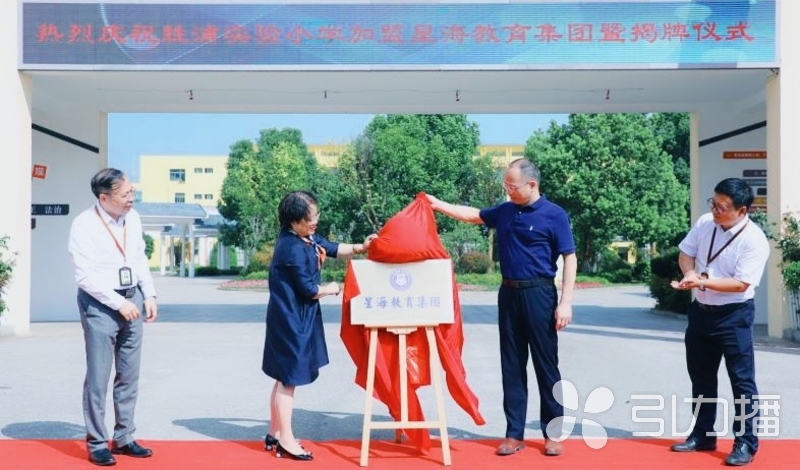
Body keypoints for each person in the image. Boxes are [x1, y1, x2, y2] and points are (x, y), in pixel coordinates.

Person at [426, 157, 577, 457]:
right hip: (508, 294)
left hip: (540, 294)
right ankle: (514, 433)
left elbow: (570, 257)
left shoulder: (554, 215)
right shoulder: (506, 211)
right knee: (511, 365)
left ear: (532, 184)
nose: (508, 191)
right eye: (506, 185)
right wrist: (437, 204)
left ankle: (553, 433)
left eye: (513, 186)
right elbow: (472, 216)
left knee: (546, 366)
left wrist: (566, 302)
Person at [262, 190, 377, 461]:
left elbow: (333, 248)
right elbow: (307, 289)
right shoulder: (291, 248)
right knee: (289, 379)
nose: (316, 221)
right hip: (290, 319)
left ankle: (274, 433)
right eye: (310, 217)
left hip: (296, 316)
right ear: (295, 220)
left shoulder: (305, 238)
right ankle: (287, 441)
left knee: (283, 377)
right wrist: (332, 288)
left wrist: (362, 247)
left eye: (316, 215)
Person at [669, 178, 770, 467]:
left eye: (722, 207)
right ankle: (702, 434)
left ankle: (746, 443)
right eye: (713, 203)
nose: (715, 210)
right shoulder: (705, 223)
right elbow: (686, 253)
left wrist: (701, 280)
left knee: (742, 381)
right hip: (702, 312)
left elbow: (741, 284)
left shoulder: (754, 240)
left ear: (742, 211)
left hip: (734, 315)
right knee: (701, 377)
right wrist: (690, 273)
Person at [68, 168, 158, 467]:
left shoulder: (132, 217)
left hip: (131, 298)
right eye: (125, 195)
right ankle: (96, 442)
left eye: (132, 192)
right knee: (98, 376)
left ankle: (124, 437)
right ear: (104, 197)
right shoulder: (84, 225)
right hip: (100, 304)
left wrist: (149, 293)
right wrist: (119, 304)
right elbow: (85, 277)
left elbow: (139, 257)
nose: (132, 199)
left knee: (129, 374)